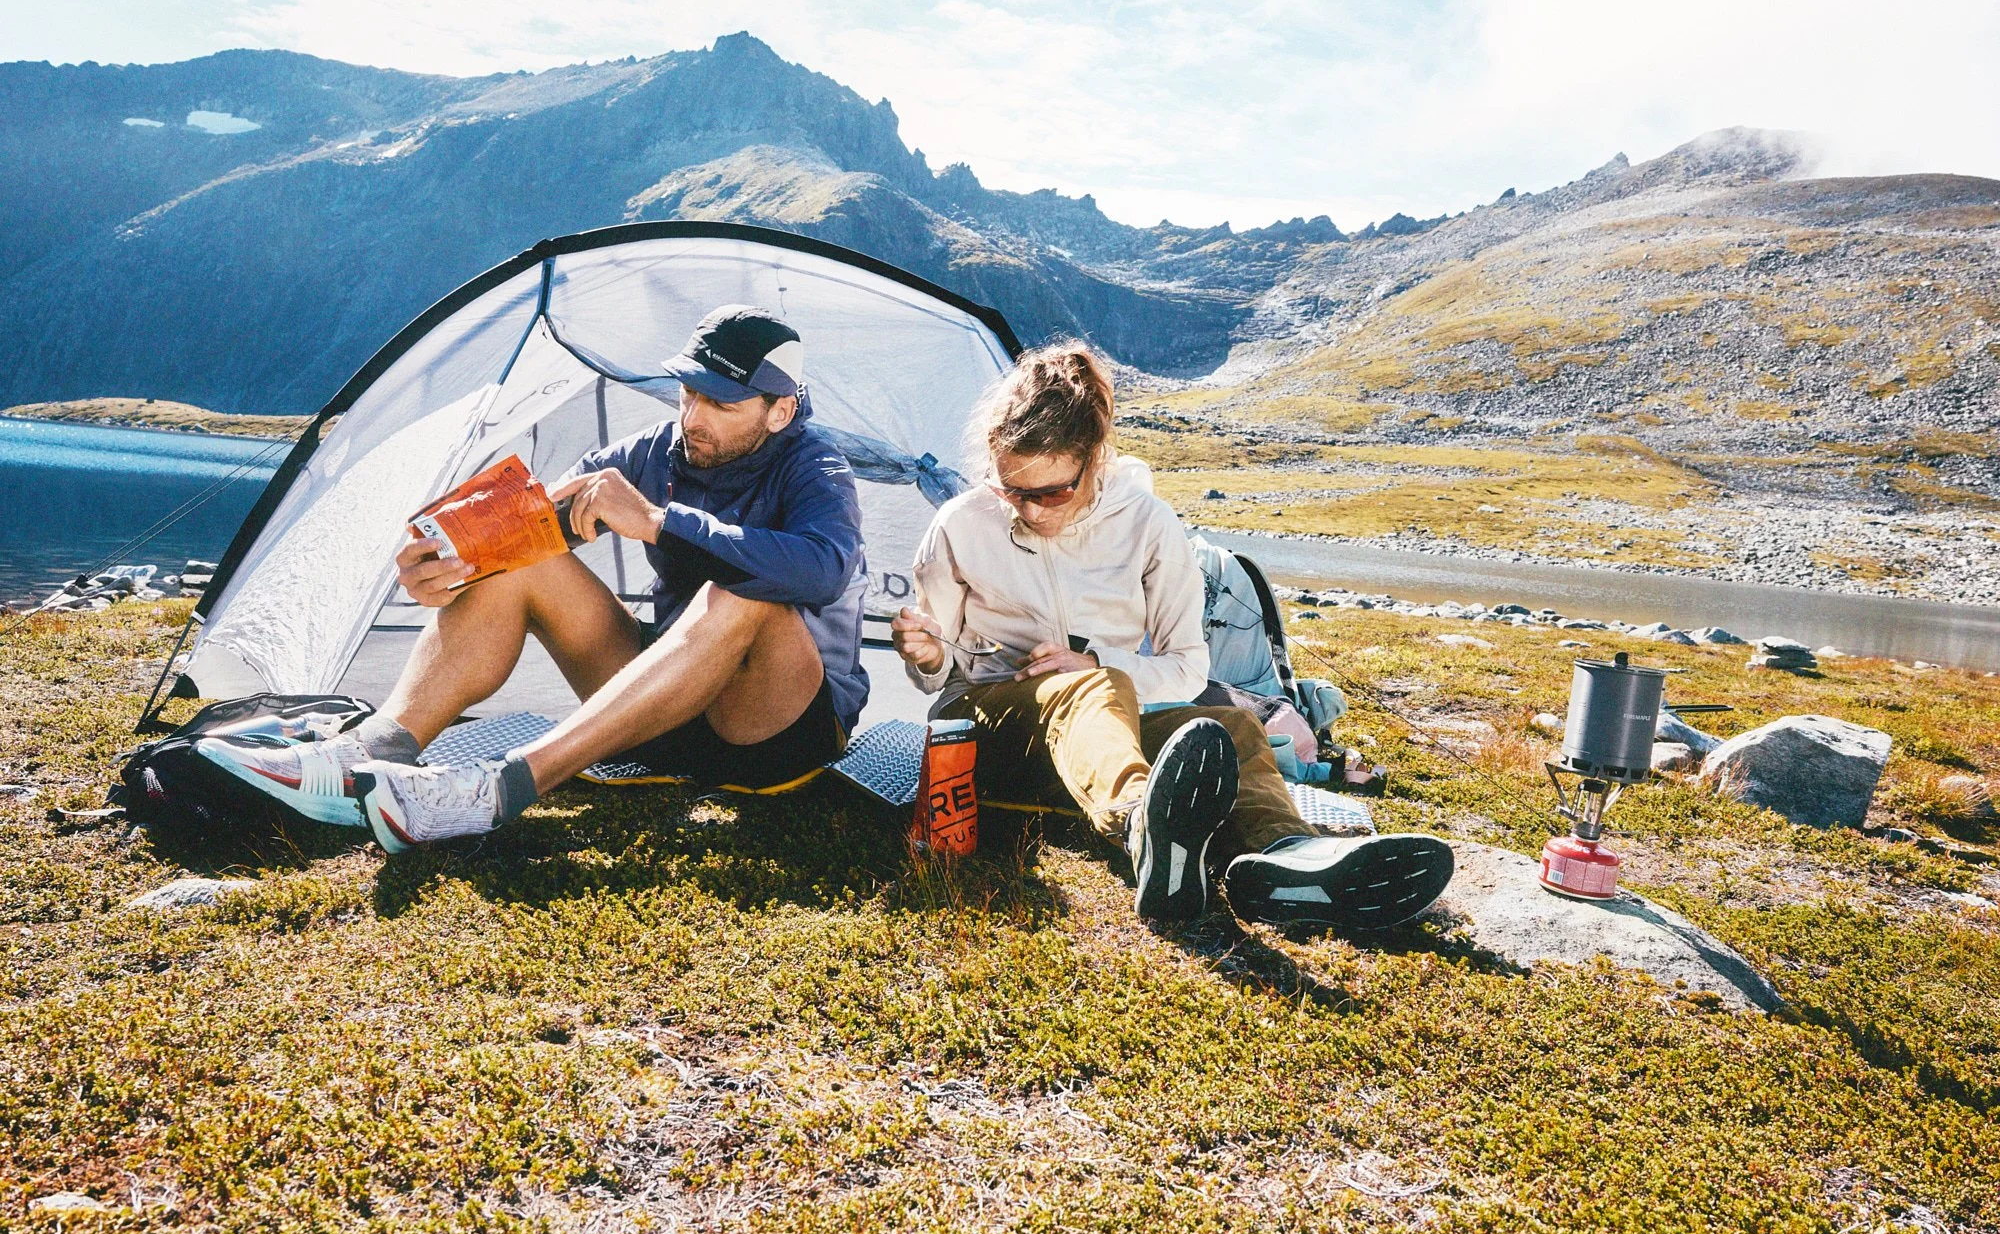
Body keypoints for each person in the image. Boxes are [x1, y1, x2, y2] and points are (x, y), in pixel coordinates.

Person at [199, 305, 867, 851]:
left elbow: (824, 570)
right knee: (524, 557)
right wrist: (447, 565)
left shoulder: (816, 465)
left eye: (721, 402)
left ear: (778, 411)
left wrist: (660, 523)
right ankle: (368, 752)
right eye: (689, 392)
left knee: (743, 597)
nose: (693, 416)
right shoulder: (658, 450)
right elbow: (535, 521)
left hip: (776, 732)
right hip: (668, 717)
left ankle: (498, 791)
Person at [890, 342, 1452, 928]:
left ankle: (1290, 859)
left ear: (1094, 459)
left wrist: (1094, 663)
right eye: (1012, 490)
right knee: (1095, 688)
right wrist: (926, 656)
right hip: (994, 737)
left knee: (1230, 725)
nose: (1030, 511)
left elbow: (1187, 668)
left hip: (1106, 738)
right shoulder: (959, 524)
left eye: (1052, 492)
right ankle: (1141, 823)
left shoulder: (1149, 524)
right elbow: (940, 678)